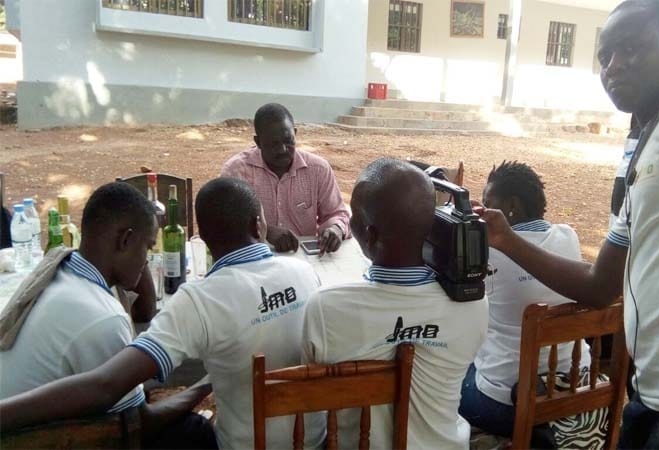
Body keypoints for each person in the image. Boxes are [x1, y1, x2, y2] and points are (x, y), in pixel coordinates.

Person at [474, 1, 659, 448]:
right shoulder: (645, 152)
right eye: (605, 56)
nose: (614, 65)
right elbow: (601, 284)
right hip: (652, 403)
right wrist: (505, 238)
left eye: (632, 48)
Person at [0, 177, 325, 450]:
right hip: (315, 440)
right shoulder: (304, 272)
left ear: (205, 240)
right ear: (259, 225)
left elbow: (110, 385)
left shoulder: (198, 300)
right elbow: (123, 407)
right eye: (148, 246)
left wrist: (203, 386)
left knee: (193, 429)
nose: (149, 257)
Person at [0, 182, 215, 449]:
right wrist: (207, 385)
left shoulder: (62, 270)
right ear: (124, 240)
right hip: (32, 440)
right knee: (195, 431)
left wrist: (136, 251)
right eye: (148, 249)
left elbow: (145, 309)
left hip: (19, 426)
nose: (147, 261)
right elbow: (141, 424)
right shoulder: (103, 318)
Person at [302, 158, 488, 449]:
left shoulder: (327, 308)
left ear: (370, 234)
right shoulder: (475, 302)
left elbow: (311, 392)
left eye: (354, 217)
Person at [458, 161, 590, 438]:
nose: (482, 209)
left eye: (488, 202)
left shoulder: (486, 253)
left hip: (507, 404)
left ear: (512, 206)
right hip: (575, 390)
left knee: (441, 375)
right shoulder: (568, 237)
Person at [221, 103, 350, 254]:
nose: (282, 149)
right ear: (258, 142)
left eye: (288, 141)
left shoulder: (318, 169)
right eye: (273, 144)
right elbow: (226, 225)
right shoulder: (237, 172)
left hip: (305, 261)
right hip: (254, 260)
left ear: (295, 133)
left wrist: (335, 228)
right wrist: (266, 232)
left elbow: (336, 213)